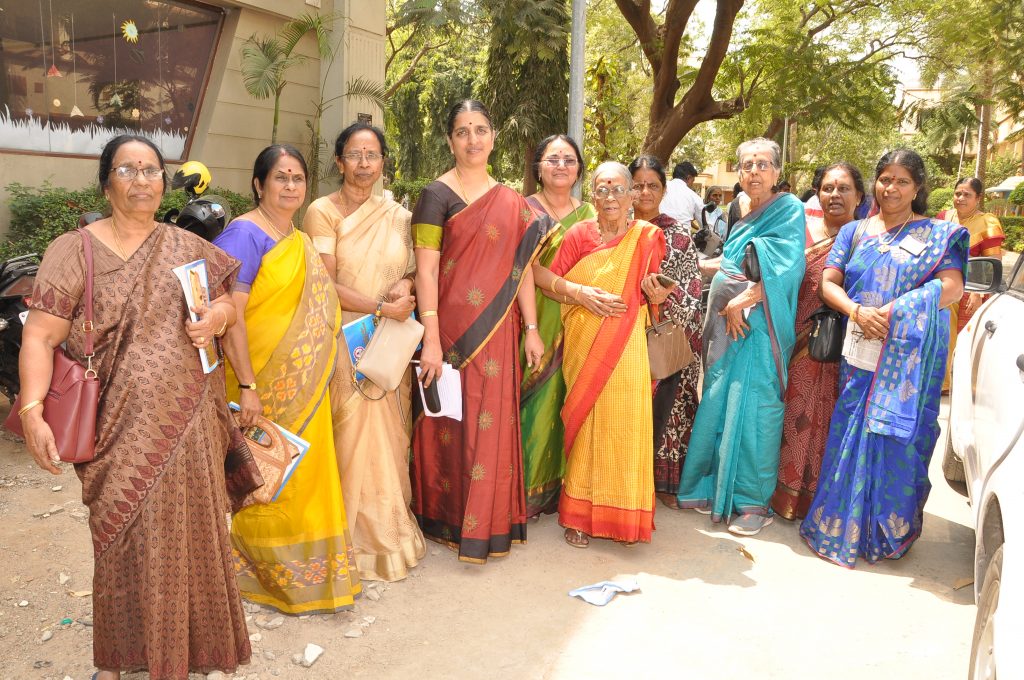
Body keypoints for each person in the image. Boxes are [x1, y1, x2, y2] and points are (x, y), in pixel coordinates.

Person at [17, 135, 250, 678]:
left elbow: (227, 305)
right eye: (127, 170)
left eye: (151, 170)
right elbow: (40, 337)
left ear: (164, 183)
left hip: (189, 421)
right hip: (114, 427)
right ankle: (118, 661)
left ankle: (191, 652)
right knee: (119, 539)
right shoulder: (74, 251)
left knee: (192, 535)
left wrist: (217, 319)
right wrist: (31, 410)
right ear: (106, 184)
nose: (141, 180)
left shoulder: (187, 247)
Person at [800, 149, 968, 568]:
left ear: (917, 187)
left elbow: (953, 287)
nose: (891, 188)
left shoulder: (935, 234)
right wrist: (857, 311)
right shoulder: (855, 231)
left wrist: (898, 310)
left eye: (902, 181)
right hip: (860, 349)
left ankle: (886, 531)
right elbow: (828, 283)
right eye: (885, 179)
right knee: (850, 429)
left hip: (909, 358)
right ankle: (839, 524)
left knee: (898, 440)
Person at [215, 144, 361, 611]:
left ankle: (313, 574)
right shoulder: (243, 234)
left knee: (304, 474)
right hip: (259, 382)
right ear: (259, 185)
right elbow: (230, 317)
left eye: (298, 178)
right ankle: (261, 573)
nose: (291, 186)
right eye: (281, 177)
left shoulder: (297, 239)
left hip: (305, 384)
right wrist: (248, 386)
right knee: (266, 476)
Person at [411, 100, 549, 563]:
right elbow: (426, 272)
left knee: (491, 421)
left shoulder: (511, 201)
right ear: (450, 140)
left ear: (493, 137)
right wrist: (431, 339)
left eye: (481, 130)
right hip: (450, 332)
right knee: (452, 422)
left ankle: (490, 522)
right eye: (462, 131)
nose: (473, 139)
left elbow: (521, 271)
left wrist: (532, 328)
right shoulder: (436, 195)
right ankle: (447, 517)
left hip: (499, 331)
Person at [303, 122, 427, 582]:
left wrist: (405, 288)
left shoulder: (398, 216)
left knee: (391, 435)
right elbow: (324, 283)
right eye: (354, 154)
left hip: (390, 341)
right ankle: (349, 543)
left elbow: (413, 270)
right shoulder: (322, 212)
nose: (363, 163)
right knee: (351, 433)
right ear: (339, 162)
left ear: (382, 162)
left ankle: (390, 537)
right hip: (345, 339)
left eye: (371, 155)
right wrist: (380, 307)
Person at [534, 161, 670, 546]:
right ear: (592, 196)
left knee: (626, 426)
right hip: (584, 342)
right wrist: (580, 294)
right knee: (589, 423)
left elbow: (651, 291)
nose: (610, 197)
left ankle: (623, 516)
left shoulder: (646, 237)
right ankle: (578, 517)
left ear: (632, 196)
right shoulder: (579, 234)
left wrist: (657, 293)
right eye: (602, 189)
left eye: (618, 189)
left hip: (627, 346)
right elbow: (543, 277)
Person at [676, 138, 805, 536]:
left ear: (777, 172)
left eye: (763, 164)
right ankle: (711, 488)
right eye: (747, 164)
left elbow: (787, 267)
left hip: (759, 325)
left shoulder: (789, 209)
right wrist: (692, 265)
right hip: (725, 327)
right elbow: (733, 261)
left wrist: (742, 301)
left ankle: (752, 503)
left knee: (755, 408)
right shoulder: (741, 208)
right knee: (718, 399)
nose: (754, 171)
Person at [771, 162, 864, 520]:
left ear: (859, 196)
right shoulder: (802, 235)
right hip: (797, 345)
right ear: (817, 193)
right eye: (828, 188)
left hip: (847, 349)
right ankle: (783, 497)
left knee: (832, 422)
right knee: (793, 418)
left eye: (844, 188)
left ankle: (823, 502)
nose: (835, 195)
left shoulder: (867, 240)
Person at [520, 134, 597, 517]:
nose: (561, 166)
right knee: (538, 403)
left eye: (569, 159)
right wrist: (532, 328)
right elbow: (525, 269)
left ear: (579, 168)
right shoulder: (525, 210)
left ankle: (567, 490)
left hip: (583, 319)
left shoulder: (592, 214)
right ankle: (529, 491)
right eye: (552, 159)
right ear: (539, 167)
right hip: (536, 318)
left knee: (573, 401)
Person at [628, 154, 703, 509]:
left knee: (671, 408)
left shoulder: (678, 235)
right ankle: (626, 479)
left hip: (667, 336)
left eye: (652, 185)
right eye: (638, 185)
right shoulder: (618, 230)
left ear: (663, 190)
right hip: (623, 335)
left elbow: (691, 289)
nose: (645, 192)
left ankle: (664, 482)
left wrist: (661, 303)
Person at [941, 177, 1004, 392]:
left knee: (964, 340)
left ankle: (953, 384)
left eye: (967, 194)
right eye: (958, 193)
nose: (960, 198)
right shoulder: (944, 217)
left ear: (978, 198)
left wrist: (978, 292)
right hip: (941, 286)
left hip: (971, 290)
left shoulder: (987, 222)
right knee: (938, 334)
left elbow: (993, 262)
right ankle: (939, 381)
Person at [660, 161, 705, 227]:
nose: (692, 185)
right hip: (682, 232)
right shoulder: (694, 197)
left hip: (655, 230)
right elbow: (706, 225)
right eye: (692, 181)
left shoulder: (659, 187)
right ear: (688, 178)